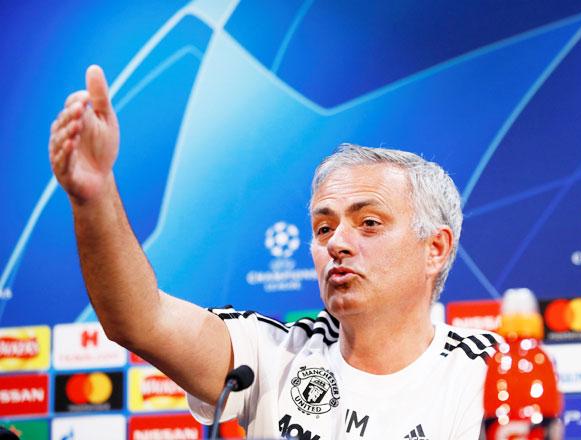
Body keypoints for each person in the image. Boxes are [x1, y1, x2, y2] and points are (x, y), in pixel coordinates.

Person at [49, 65, 500, 439]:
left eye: (368, 223)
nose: (337, 243)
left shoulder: (486, 371)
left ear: (435, 249)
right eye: (324, 227)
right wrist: (94, 195)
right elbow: (140, 320)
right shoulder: (271, 353)